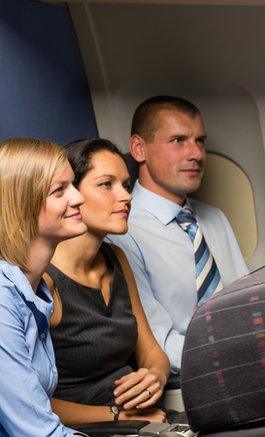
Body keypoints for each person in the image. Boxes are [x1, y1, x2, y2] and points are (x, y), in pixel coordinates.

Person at [109, 96, 249, 373]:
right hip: (190, 374)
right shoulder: (123, 231)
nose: (196, 154)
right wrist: (235, 360)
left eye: (200, 141)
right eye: (178, 141)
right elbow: (158, 341)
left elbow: (245, 295)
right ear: (139, 148)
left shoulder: (214, 218)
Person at [46, 138, 170, 425]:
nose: (126, 196)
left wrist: (154, 375)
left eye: (126, 185)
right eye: (106, 184)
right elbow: (30, 402)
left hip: (145, 417)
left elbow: (151, 351)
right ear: (71, 193)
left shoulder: (116, 257)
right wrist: (117, 416)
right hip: (94, 425)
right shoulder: (44, 280)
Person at [0, 138, 85, 436]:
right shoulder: (1, 300)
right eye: (59, 191)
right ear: (22, 204)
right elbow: (37, 431)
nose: (78, 198)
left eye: (72, 185)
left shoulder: (37, 290)